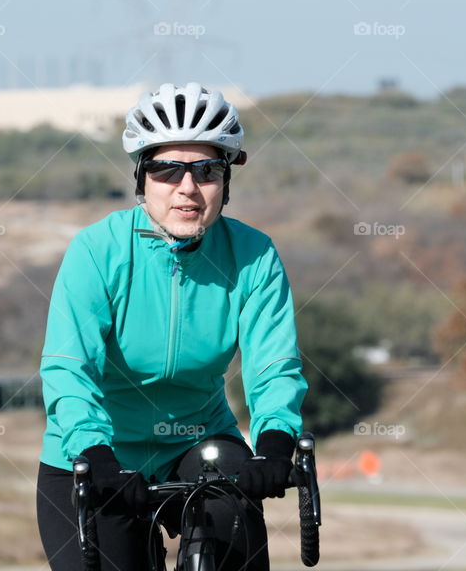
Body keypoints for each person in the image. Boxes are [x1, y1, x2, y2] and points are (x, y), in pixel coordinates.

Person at [35, 82, 307, 570]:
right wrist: (95, 456)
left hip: (198, 438)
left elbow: (274, 365)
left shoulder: (254, 255)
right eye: (167, 170)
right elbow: (69, 369)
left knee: (234, 530)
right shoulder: (97, 252)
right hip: (100, 450)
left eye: (206, 170)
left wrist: (273, 445)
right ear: (142, 178)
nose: (187, 187)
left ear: (226, 179)